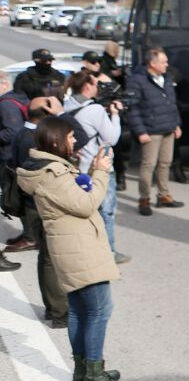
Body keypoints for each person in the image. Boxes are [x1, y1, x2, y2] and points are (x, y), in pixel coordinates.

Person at [17, 116, 129, 381]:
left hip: (71, 247)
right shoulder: (53, 173)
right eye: (69, 137)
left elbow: (77, 195)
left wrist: (91, 171)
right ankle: (94, 374)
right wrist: (103, 173)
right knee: (99, 310)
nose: (74, 140)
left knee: (80, 311)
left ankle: (84, 371)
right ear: (55, 141)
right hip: (79, 249)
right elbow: (86, 203)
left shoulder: (49, 170)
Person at [12, 98, 70, 319]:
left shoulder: (24, 134)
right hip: (40, 206)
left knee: (47, 258)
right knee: (50, 259)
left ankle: (55, 308)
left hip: (33, 204)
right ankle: (58, 311)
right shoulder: (33, 140)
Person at [62, 71, 129, 264]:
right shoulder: (96, 110)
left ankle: (84, 249)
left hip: (77, 168)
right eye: (96, 84)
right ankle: (109, 252)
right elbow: (112, 138)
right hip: (98, 166)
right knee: (105, 210)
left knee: (83, 210)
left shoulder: (66, 106)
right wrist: (115, 116)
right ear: (88, 86)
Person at [126, 47, 185, 217]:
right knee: (148, 165)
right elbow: (132, 108)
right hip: (150, 130)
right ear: (152, 63)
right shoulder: (137, 80)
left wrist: (176, 124)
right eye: (163, 62)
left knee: (166, 162)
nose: (167, 65)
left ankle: (164, 195)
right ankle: (144, 198)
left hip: (168, 127)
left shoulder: (166, 78)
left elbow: (172, 104)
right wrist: (140, 131)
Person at [1, 71, 35, 258]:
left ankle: (30, 237)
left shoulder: (7, 104)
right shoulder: (24, 100)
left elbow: (12, 132)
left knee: (15, 197)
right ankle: (30, 234)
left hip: (9, 157)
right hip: (20, 154)